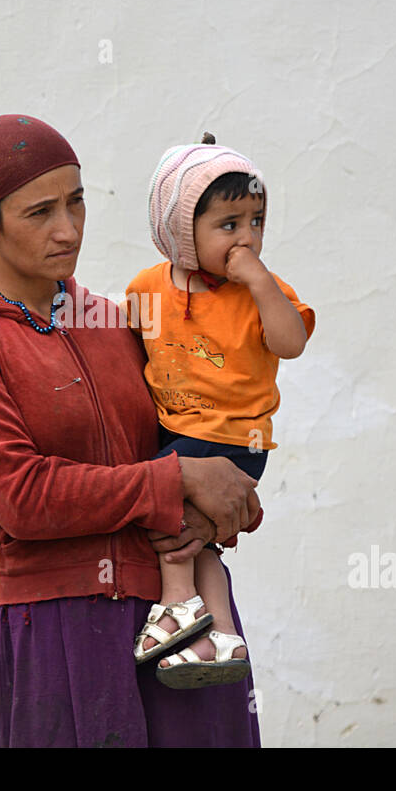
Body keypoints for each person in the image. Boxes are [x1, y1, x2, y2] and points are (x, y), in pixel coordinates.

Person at [0, 113, 264, 747]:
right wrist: (178, 478)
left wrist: (215, 510)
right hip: (62, 632)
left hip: (183, 628)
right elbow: (21, 498)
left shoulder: (115, 319)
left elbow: (209, 428)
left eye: (77, 202)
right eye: (39, 213)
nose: (67, 230)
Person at [125, 133, 315, 688]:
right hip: (176, 431)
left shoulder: (264, 290)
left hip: (233, 440)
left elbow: (290, 343)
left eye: (256, 220)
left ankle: (178, 605)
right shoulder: (147, 288)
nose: (247, 237)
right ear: (182, 231)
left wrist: (259, 282)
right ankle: (222, 638)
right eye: (228, 225)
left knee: (167, 512)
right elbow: (129, 350)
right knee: (199, 537)